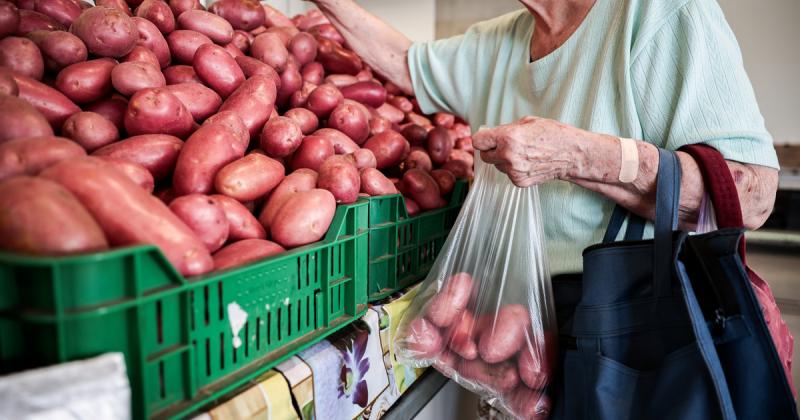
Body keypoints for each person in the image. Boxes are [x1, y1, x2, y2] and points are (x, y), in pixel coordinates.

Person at [308, 0, 779, 276]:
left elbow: (752, 196)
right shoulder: (500, 39)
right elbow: (404, 61)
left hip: (628, 332)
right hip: (512, 330)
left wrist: (575, 156)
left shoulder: (661, 13)